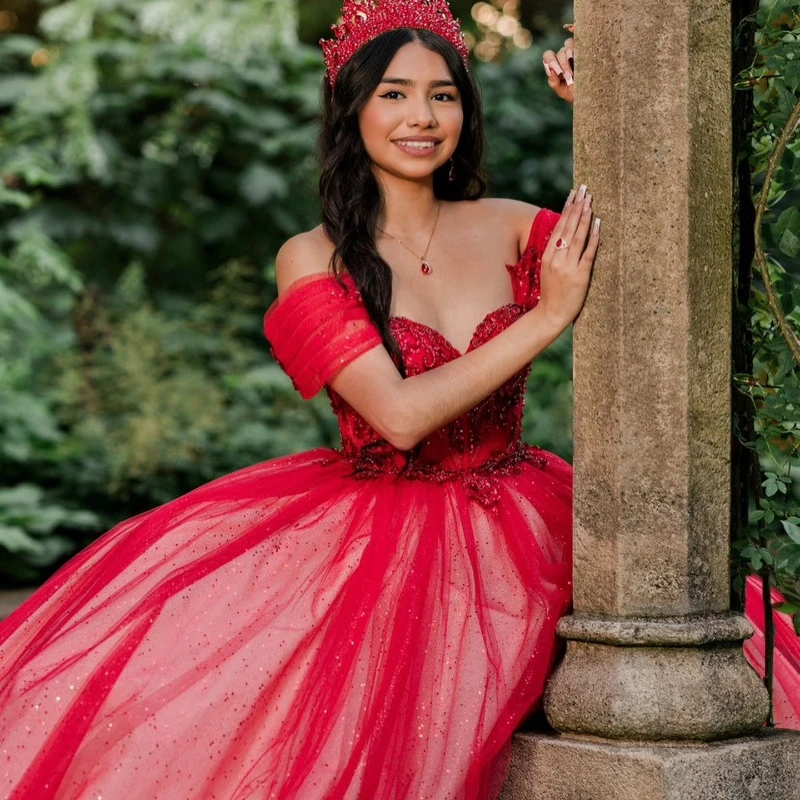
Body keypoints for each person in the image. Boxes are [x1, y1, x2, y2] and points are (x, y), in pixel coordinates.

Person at [0, 2, 793, 799]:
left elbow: (662, 253)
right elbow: (402, 415)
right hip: (381, 533)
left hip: (528, 519)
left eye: (443, 95)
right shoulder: (312, 257)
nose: (423, 116)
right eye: (394, 94)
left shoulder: (512, 225)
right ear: (351, 109)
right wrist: (548, 317)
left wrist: (607, 114)